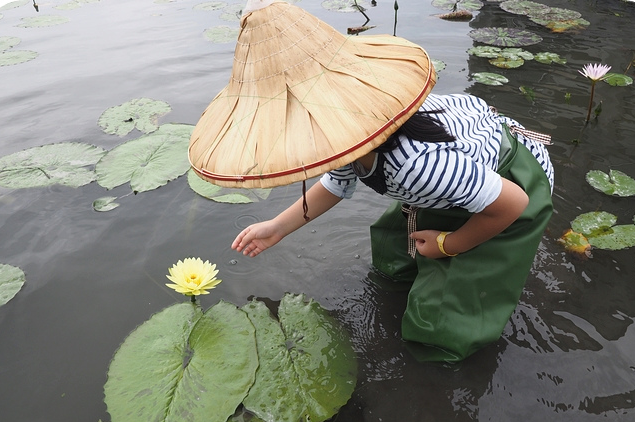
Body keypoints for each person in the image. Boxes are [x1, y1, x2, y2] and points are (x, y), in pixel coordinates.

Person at [189, 0, 554, 362]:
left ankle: (440, 352)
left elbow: (511, 204)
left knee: (444, 317)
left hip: (513, 183)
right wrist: (278, 227)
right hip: (460, 174)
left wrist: (450, 244)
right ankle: (415, 266)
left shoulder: (418, 166)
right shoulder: (352, 134)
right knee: (395, 249)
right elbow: (336, 183)